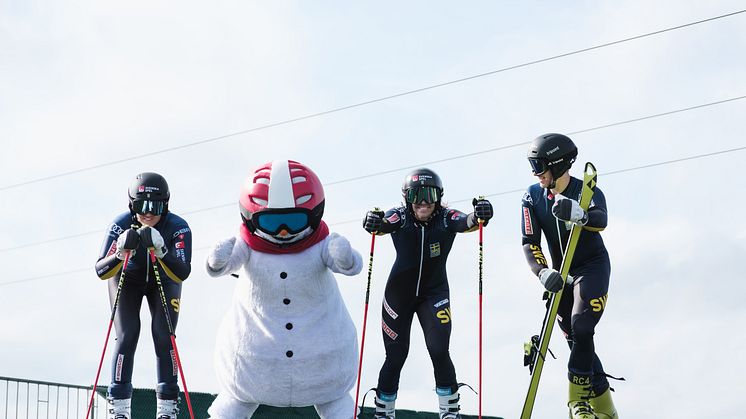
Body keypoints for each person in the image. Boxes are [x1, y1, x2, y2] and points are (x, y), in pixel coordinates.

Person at [362, 168, 493, 419]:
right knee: (396, 354)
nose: (423, 201)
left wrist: (480, 214)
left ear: (439, 196)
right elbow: (383, 225)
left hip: (434, 293)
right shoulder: (400, 216)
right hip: (399, 295)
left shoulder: (445, 217)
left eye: (429, 194)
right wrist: (374, 221)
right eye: (416, 195)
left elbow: (467, 222)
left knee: (439, 349)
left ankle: (449, 412)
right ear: (406, 198)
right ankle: (384, 413)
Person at [521, 133, 618, 419]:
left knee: (582, 326)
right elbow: (529, 242)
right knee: (578, 342)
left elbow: (602, 218)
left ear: (558, 164)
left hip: (592, 267)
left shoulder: (585, 189)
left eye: (539, 167)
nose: (536, 174)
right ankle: (606, 410)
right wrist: (542, 273)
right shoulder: (532, 196)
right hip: (560, 275)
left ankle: (577, 402)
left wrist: (581, 214)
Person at [94, 172, 192, 419]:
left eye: (155, 206)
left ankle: (167, 409)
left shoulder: (178, 227)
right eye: (140, 206)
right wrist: (119, 253)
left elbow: (182, 271)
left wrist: (161, 251)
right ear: (130, 205)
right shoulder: (120, 223)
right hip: (127, 279)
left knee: (164, 335)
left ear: (166, 205)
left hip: (165, 279)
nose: (148, 213)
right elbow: (100, 270)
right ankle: (119, 408)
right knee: (127, 335)